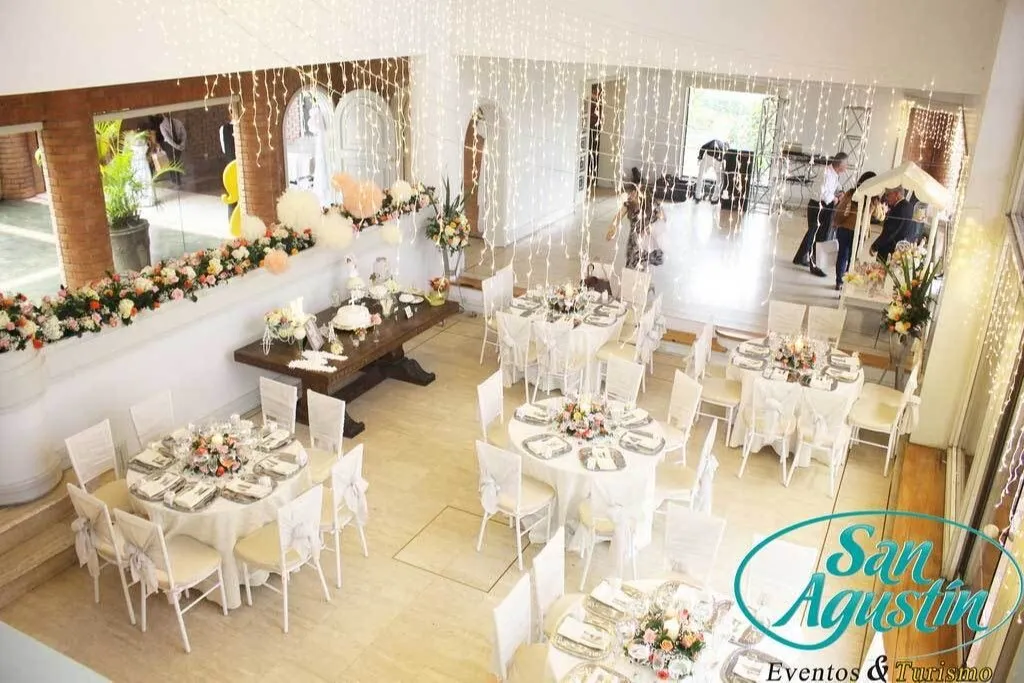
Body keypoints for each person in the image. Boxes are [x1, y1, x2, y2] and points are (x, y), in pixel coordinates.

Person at [793, 152, 848, 277]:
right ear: (840, 164)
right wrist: (835, 199)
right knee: (817, 236)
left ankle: (800, 258)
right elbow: (823, 193)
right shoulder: (826, 173)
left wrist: (840, 192)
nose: (847, 167)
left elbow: (835, 187)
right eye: (846, 164)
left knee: (813, 234)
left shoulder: (834, 174)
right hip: (818, 206)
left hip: (823, 206)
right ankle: (814, 266)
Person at [832, 171, 885, 290]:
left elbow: (841, 207)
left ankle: (839, 282)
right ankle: (847, 282)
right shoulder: (873, 197)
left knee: (842, 255)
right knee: (853, 258)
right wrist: (882, 208)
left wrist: (836, 221)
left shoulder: (852, 192)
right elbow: (880, 216)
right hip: (859, 232)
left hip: (845, 228)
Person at [606, 184, 665, 270]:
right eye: (630, 192)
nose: (630, 195)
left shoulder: (652, 204)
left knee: (644, 269)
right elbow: (618, 216)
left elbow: (663, 219)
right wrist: (613, 228)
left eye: (634, 192)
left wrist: (652, 227)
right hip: (634, 242)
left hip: (648, 243)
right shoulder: (629, 204)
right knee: (631, 267)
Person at [871, 187, 918, 263]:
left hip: (890, 251)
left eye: (888, 195)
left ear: (896, 194)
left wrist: (875, 246)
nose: (886, 198)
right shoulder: (909, 206)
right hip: (901, 250)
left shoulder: (899, 209)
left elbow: (890, 232)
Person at [159, 113, 187, 186]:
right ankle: (176, 180)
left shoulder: (178, 122)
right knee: (172, 161)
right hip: (169, 145)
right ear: (163, 115)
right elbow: (167, 138)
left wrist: (182, 143)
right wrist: (177, 146)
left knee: (177, 161)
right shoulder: (162, 125)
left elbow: (184, 133)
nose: (167, 115)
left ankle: (177, 179)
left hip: (178, 142)